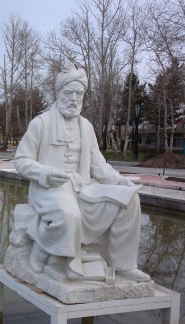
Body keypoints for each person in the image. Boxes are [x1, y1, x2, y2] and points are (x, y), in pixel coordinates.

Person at [14, 62, 150, 282]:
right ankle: (45, 250)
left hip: (82, 187)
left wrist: (120, 182)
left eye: (79, 93)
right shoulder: (41, 123)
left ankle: (123, 265)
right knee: (70, 214)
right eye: (69, 93)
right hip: (49, 188)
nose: (75, 98)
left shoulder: (86, 127)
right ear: (58, 93)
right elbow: (21, 161)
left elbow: (99, 165)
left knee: (129, 200)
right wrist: (45, 173)